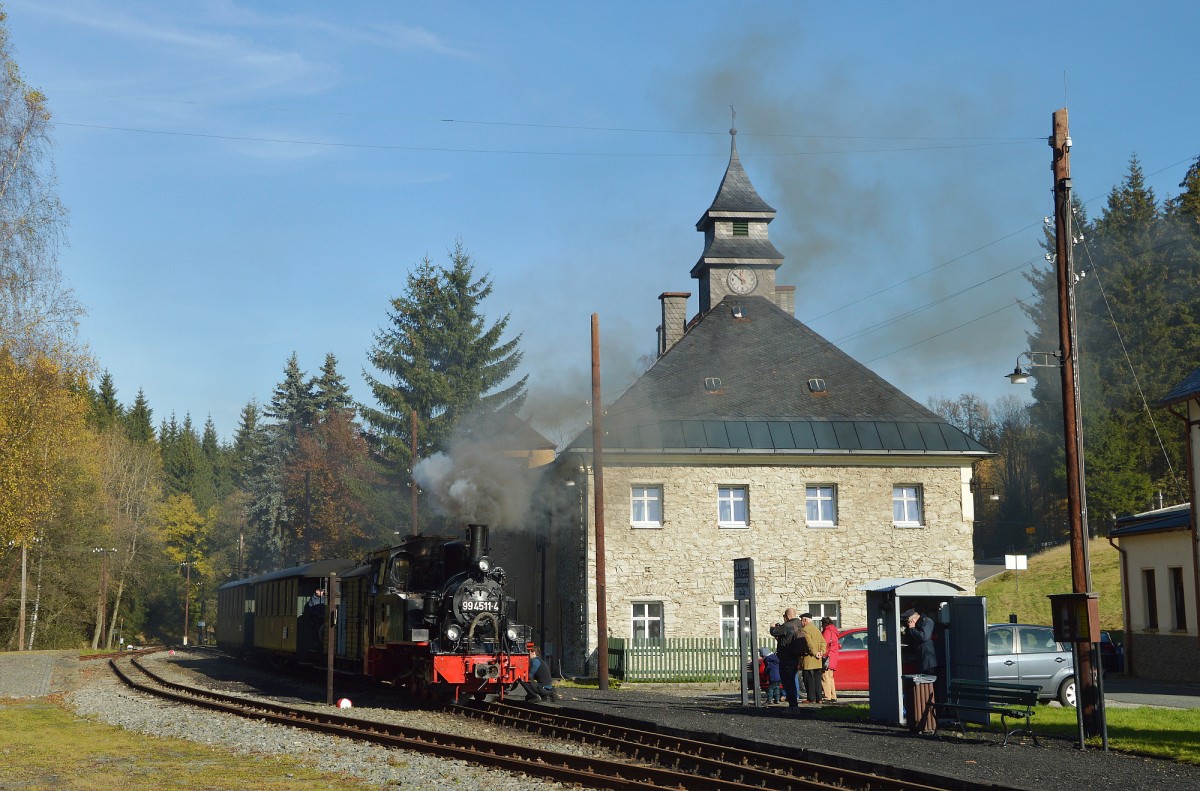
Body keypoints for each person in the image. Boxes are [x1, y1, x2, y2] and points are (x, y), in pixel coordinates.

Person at [769, 608, 804, 710]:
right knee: (792, 680)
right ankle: (794, 705)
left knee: (788, 682)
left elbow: (774, 632)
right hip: (795, 656)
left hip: (786, 657)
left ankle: (793, 706)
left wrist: (772, 627)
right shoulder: (799, 624)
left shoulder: (787, 625)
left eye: (784, 616)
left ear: (787, 616)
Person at [797, 613, 825, 704]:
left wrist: (814, 653)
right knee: (817, 679)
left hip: (809, 658)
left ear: (805, 620)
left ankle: (811, 698)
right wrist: (821, 651)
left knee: (808, 679)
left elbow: (809, 643)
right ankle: (819, 698)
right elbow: (823, 641)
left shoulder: (804, 630)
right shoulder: (816, 629)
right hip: (818, 659)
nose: (801, 622)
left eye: (801, 620)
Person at [900, 608, 937, 673]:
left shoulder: (926, 621)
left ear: (912, 619)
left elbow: (924, 637)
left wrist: (912, 629)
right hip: (921, 657)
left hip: (928, 659)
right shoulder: (917, 624)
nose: (908, 623)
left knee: (928, 679)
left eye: (908, 621)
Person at [819, 616, 840, 703]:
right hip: (833, 656)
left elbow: (824, 643)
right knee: (830, 677)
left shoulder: (827, 631)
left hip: (828, 656)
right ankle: (833, 696)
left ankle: (827, 696)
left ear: (824, 624)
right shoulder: (834, 631)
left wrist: (821, 653)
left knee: (825, 677)